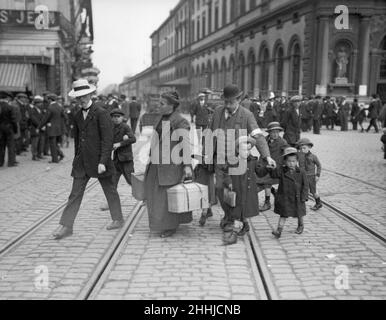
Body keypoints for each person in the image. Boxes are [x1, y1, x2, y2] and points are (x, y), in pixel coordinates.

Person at [52, 79, 124, 240]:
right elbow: (78, 140)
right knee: (74, 194)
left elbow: (108, 139)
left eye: (84, 95)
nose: (81, 99)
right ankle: (66, 226)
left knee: (110, 190)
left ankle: (118, 219)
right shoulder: (77, 115)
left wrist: (103, 161)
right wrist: (76, 159)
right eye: (78, 97)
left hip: (100, 161)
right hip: (82, 162)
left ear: (90, 94)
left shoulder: (101, 112)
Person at [208, 84, 276, 232]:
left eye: (231, 102)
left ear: (238, 99)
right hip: (219, 160)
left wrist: (267, 156)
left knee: (238, 192)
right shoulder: (217, 112)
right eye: (225, 101)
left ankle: (237, 220)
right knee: (220, 189)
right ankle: (228, 216)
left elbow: (258, 136)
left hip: (238, 162)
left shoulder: (247, 115)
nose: (227, 105)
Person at [144, 91, 193, 238]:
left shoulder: (180, 121)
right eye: (159, 103)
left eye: (162, 104)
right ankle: (160, 223)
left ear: (171, 106)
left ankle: (170, 226)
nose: (158, 106)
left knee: (167, 196)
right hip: (156, 163)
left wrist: (187, 165)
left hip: (171, 164)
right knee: (155, 195)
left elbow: (185, 144)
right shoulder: (161, 118)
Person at [222, 136, 268, 245]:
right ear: (238, 150)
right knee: (237, 212)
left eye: (248, 149)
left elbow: (260, 172)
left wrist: (267, 168)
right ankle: (239, 230)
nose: (246, 152)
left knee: (243, 210)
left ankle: (238, 230)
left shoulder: (253, 161)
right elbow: (226, 173)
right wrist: (229, 182)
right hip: (237, 190)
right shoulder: (233, 161)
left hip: (248, 191)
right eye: (244, 150)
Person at [264, 147, 309, 239]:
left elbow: (305, 185)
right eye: (289, 161)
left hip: (298, 197)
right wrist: (271, 169)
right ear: (285, 162)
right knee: (283, 214)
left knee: (299, 213)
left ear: (297, 161)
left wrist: (304, 197)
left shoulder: (301, 172)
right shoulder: (282, 170)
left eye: (293, 161)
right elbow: (274, 175)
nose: (291, 163)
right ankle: (279, 230)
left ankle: (300, 225)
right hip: (285, 197)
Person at [258, 122, 288, 212]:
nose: (275, 134)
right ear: (269, 133)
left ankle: (267, 202)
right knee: (259, 180)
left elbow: (286, 152)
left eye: (277, 132)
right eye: (273, 132)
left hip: (275, 167)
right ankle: (273, 191)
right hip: (264, 164)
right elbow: (261, 149)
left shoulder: (282, 142)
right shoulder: (265, 140)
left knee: (266, 182)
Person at [110, 108, 136, 188]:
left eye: (118, 116)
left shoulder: (125, 127)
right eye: (114, 117)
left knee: (132, 181)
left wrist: (120, 144)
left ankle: (143, 198)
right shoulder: (111, 127)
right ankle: (113, 200)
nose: (116, 118)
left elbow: (133, 139)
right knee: (112, 183)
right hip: (116, 160)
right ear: (111, 118)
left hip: (126, 160)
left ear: (122, 118)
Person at [297, 138, 322, 211]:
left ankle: (318, 202)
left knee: (313, 191)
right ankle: (301, 205)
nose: (302, 150)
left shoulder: (313, 156)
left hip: (311, 177)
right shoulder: (299, 155)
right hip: (303, 176)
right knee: (303, 190)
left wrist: (317, 175)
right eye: (301, 148)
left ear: (309, 147)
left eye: (304, 148)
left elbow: (319, 165)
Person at [38, 94, 65, 163]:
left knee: (52, 144)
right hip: (58, 128)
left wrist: (39, 126)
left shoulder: (50, 107)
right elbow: (64, 116)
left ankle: (55, 159)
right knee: (55, 144)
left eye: (48, 99)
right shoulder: (60, 107)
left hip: (52, 128)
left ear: (50, 100)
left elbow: (45, 119)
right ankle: (60, 154)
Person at [0, 91, 18, 167]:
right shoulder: (10, 107)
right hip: (9, 128)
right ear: (7, 98)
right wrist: (15, 129)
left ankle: (0, 162)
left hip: (0, 128)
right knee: (11, 145)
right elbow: (14, 120)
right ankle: (11, 162)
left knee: (1, 146)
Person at [28, 96, 44, 161]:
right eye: (39, 103)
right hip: (35, 128)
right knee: (35, 143)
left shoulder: (40, 110)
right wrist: (41, 126)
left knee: (40, 142)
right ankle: (34, 156)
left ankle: (39, 154)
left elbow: (42, 118)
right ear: (36, 104)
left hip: (40, 128)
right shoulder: (32, 110)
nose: (40, 104)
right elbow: (33, 119)